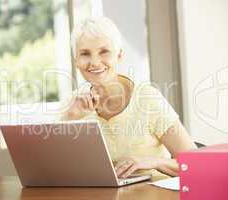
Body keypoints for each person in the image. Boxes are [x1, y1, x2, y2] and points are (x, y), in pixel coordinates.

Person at [62, 17, 197, 179]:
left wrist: (154, 162)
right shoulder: (73, 106)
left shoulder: (147, 99)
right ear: (76, 61)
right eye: (85, 54)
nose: (95, 62)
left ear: (119, 55)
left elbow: (195, 164)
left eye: (104, 51)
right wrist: (69, 120)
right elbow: (55, 170)